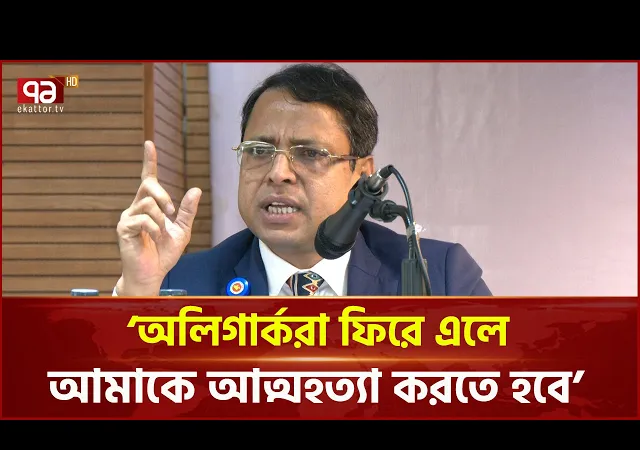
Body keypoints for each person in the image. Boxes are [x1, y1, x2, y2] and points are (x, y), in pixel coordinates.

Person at [115, 63, 491, 297]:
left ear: (362, 174)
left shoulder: (440, 276)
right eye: (259, 150)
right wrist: (137, 293)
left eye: (310, 154)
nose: (278, 173)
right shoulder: (179, 284)